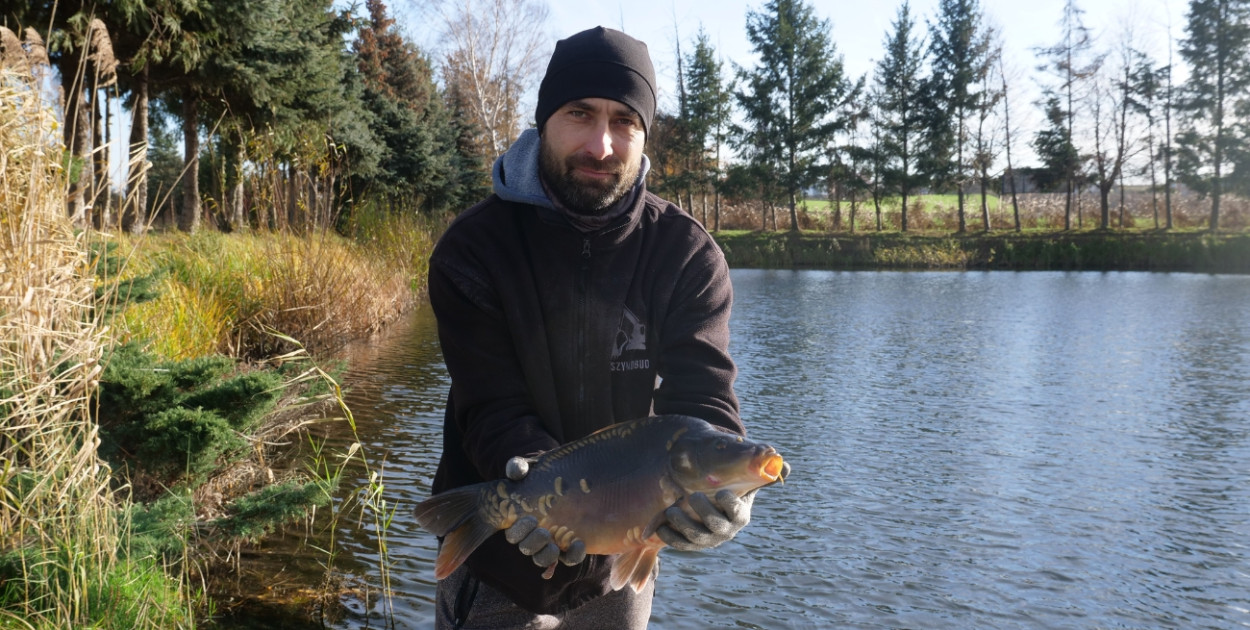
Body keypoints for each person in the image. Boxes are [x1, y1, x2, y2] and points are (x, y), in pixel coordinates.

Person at [426, 26, 755, 629]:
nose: (601, 145)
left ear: (644, 135)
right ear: (544, 120)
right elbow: (491, 402)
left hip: (623, 556)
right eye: (580, 114)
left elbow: (703, 398)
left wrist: (729, 495)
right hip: (500, 557)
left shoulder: (686, 255)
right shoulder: (473, 249)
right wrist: (537, 491)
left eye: (624, 121)